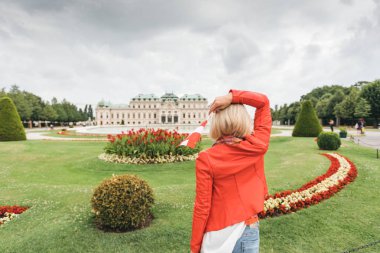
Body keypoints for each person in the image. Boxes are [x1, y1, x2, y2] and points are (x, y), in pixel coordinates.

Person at [190, 89, 272, 253]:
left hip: (217, 234)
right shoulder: (257, 146)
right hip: (247, 229)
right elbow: (263, 102)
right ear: (244, 120)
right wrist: (232, 97)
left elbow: (202, 207)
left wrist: (195, 247)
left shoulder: (207, 158)